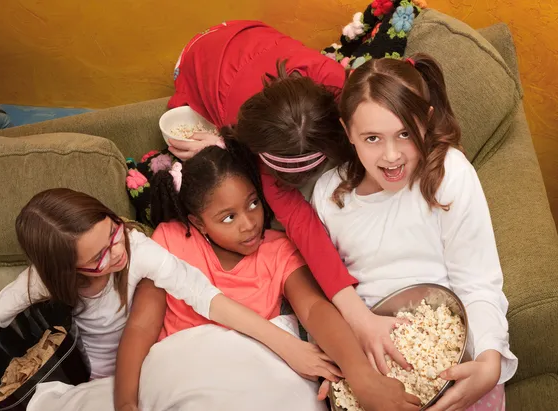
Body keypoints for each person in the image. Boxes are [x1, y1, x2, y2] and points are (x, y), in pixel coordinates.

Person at [165, 19, 406, 377]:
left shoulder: (340, 85)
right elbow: (302, 227)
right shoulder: (249, 126)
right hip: (199, 58)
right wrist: (358, 318)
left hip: (251, 34)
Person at [0, 188, 342, 411]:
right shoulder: (42, 281)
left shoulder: (138, 249)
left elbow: (206, 297)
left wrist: (289, 347)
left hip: (147, 368)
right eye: (97, 259)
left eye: (112, 233)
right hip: (91, 381)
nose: (115, 252)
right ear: (66, 270)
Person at [114, 143, 421, 411]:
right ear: (200, 223)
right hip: (184, 370)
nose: (249, 224)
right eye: (229, 217)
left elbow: (314, 308)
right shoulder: (172, 241)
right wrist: (126, 403)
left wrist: (361, 377)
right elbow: (141, 325)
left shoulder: (278, 249)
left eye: (253, 203)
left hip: (255, 376)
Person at [311, 53, 518, 411]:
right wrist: (342, 358)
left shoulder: (448, 174)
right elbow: (327, 292)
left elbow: (477, 282)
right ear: (348, 132)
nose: (392, 156)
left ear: (426, 121)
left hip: (447, 348)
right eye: (372, 138)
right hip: (367, 359)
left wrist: (489, 359)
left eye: (405, 134)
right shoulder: (329, 196)